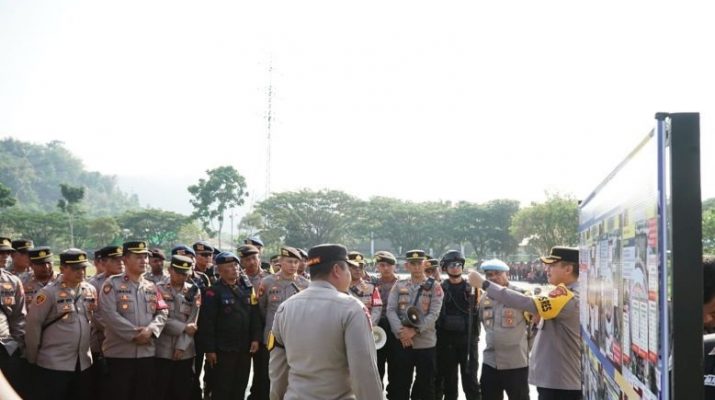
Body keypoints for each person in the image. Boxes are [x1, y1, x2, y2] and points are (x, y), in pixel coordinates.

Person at [269, 243, 383, 399]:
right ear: (337, 270)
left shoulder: (285, 308)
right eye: (347, 270)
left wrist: (276, 397)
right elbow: (364, 370)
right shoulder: (351, 308)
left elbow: (277, 369)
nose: (350, 275)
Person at [468, 246, 581, 400]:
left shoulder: (568, 296)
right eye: (489, 276)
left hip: (560, 381)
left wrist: (485, 284)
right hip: (554, 378)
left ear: (568, 269)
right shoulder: (565, 293)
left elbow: (528, 304)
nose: (547, 269)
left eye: (552, 266)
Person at [97, 240, 169, 400]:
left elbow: (163, 311)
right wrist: (134, 334)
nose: (144, 260)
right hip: (119, 355)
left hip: (146, 354)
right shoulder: (112, 284)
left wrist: (151, 330)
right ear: (125, 259)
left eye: (145, 257)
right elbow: (109, 315)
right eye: (138, 257)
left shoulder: (151, 286)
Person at [25, 248, 97, 400]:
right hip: (54, 364)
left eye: (83, 267)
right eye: (76, 268)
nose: (81, 272)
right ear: (62, 268)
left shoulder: (89, 290)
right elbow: (33, 327)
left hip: (83, 363)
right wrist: (32, 359)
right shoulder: (48, 293)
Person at [200, 251, 261, 400]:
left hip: (244, 348)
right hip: (223, 350)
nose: (234, 268)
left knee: (240, 386)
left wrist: (255, 338)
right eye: (229, 266)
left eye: (235, 265)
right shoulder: (213, 292)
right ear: (220, 271)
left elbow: (254, 315)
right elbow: (207, 323)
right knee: (222, 388)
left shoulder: (247, 288)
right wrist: (209, 349)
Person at [386, 250, 444, 400]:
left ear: (424, 264)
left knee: (425, 386)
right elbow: (391, 310)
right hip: (403, 342)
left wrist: (415, 331)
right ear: (407, 265)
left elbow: (434, 314)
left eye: (419, 263)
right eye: (413, 263)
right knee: (401, 384)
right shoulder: (399, 285)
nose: (417, 267)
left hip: (425, 343)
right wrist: (401, 332)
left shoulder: (434, 287)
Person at [478, 259, 530, 400]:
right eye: (489, 275)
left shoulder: (521, 295)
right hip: (490, 361)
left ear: (507, 273)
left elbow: (534, 327)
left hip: (515, 362)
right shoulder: (484, 298)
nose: (493, 277)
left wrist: (527, 350)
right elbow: (484, 324)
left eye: (498, 273)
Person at [435, 250, 480, 400]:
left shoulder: (473, 288)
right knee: (449, 384)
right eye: (451, 264)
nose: (455, 267)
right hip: (446, 342)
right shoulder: (439, 288)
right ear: (445, 268)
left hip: (468, 341)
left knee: (471, 383)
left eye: (458, 264)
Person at [155, 255, 201, 400]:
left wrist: (181, 347)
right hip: (161, 349)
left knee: (182, 391)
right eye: (179, 272)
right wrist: (183, 327)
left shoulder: (194, 291)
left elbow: (193, 322)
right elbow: (159, 319)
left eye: (185, 273)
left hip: (185, 351)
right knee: (161, 390)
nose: (182, 276)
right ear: (170, 270)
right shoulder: (158, 289)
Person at [87, 245, 125, 398]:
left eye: (121, 259)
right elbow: (95, 315)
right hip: (101, 344)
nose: (120, 262)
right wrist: (121, 331)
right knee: (102, 386)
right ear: (103, 262)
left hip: (126, 345)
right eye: (115, 260)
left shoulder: (130, 280)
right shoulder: (93, 285)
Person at [239, 244, 271, 400]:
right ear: (242, 262)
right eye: (247, 259)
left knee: (262, 374)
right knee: (240, 374)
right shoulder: (237, 279)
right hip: (242, 333)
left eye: (254, 258)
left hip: (264, 332)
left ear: (259, 258)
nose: (251, 262)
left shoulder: (269, 279)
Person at [0, 239, 27, 398]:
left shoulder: (12, 281)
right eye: (1, 253)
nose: (5, 256)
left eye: (8, 253)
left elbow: (19, 317)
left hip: (5, 346)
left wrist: (17, 345)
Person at [374, 250, 399, 391]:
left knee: (396, 367)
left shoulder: (402, 284)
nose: (386, 268)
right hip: (377, 328)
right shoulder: (372, 284)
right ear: (377, 267)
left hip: (396, 328)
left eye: (389, 265)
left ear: (394, 266)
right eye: (382, 265)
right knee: (377, 367)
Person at [347, 251, 382, 326]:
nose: (358, 270)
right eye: (354, 267)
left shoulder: (372, 287)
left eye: (360, 267)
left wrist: (369, 324)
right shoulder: (339, 288)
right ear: (346, 267)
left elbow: (377, 309)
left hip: (367, 326)